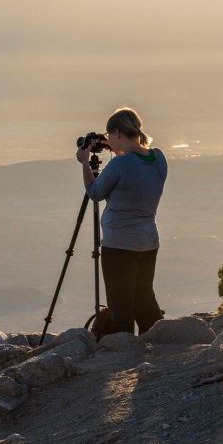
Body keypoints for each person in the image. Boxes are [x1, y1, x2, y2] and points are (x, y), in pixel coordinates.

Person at [76, 107, 168, 335]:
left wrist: (85, 164)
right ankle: (159, 343)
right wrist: (117, 148)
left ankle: (123, 354)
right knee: (144, 298)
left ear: (117, 132)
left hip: (119, 244)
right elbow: (135, 171)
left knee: (121, 306)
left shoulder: (119, 165)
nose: (107, 140)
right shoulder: (158, 158)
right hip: (148, 242)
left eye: (109, 136)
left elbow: (95, 192)